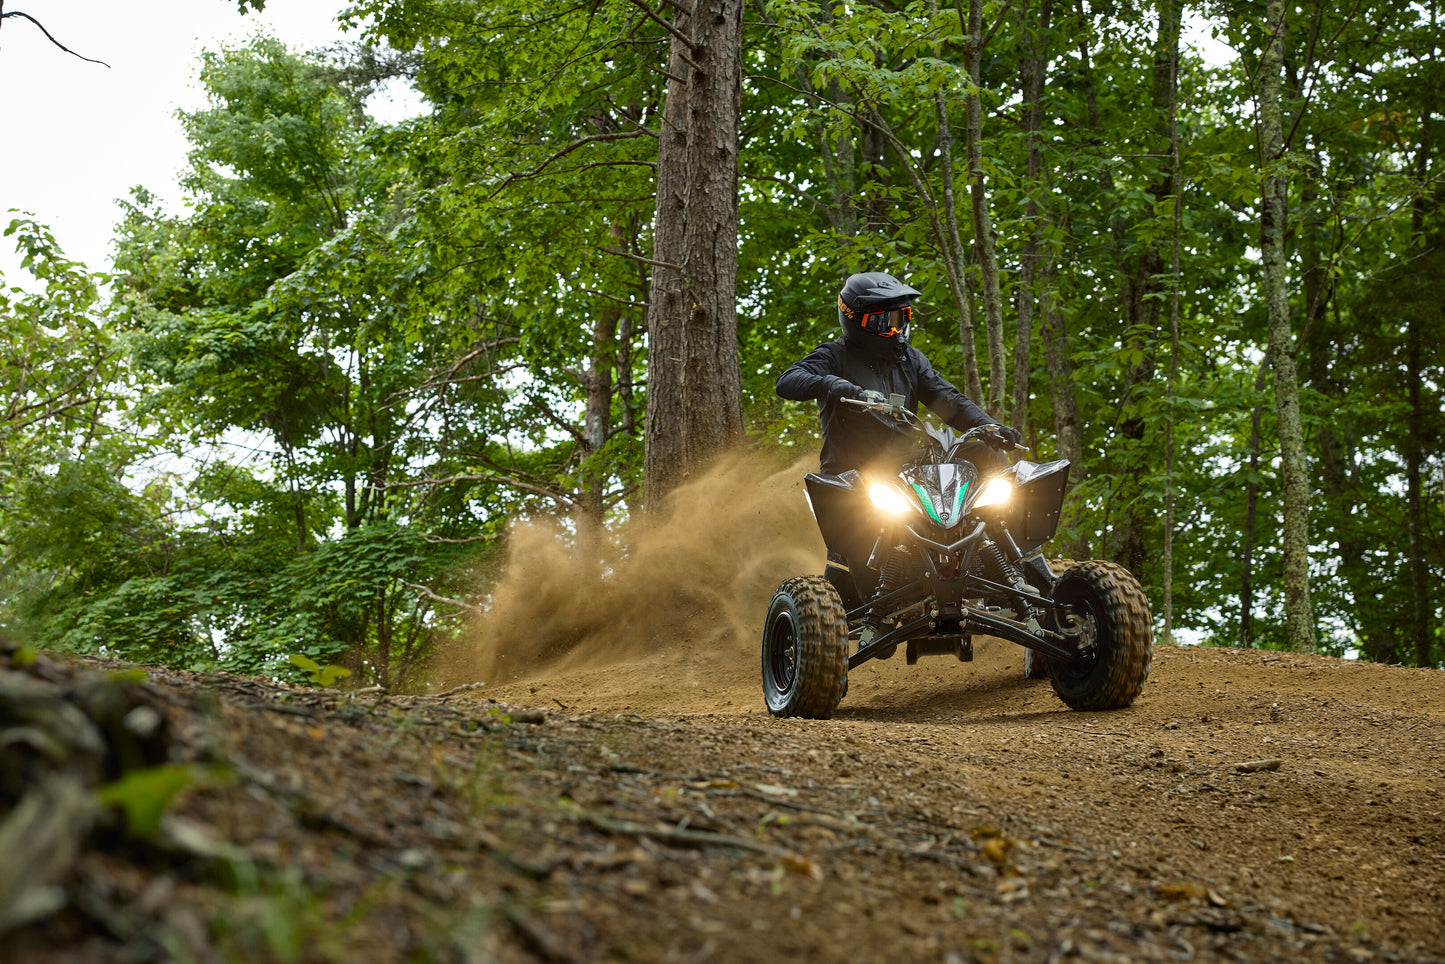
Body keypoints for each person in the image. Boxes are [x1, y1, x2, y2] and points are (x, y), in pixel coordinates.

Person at [775, 271, 1021, 476]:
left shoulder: (911, 360)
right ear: (855, 320)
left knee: (989, 453)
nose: (896, 329)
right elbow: (787, 381)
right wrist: (831, 384)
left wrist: (989, 427)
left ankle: (1002, 527)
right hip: (852, 472)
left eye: (901, 318)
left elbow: (950, 400)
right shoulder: (834, 355)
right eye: (884, 322)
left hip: (906, 466)